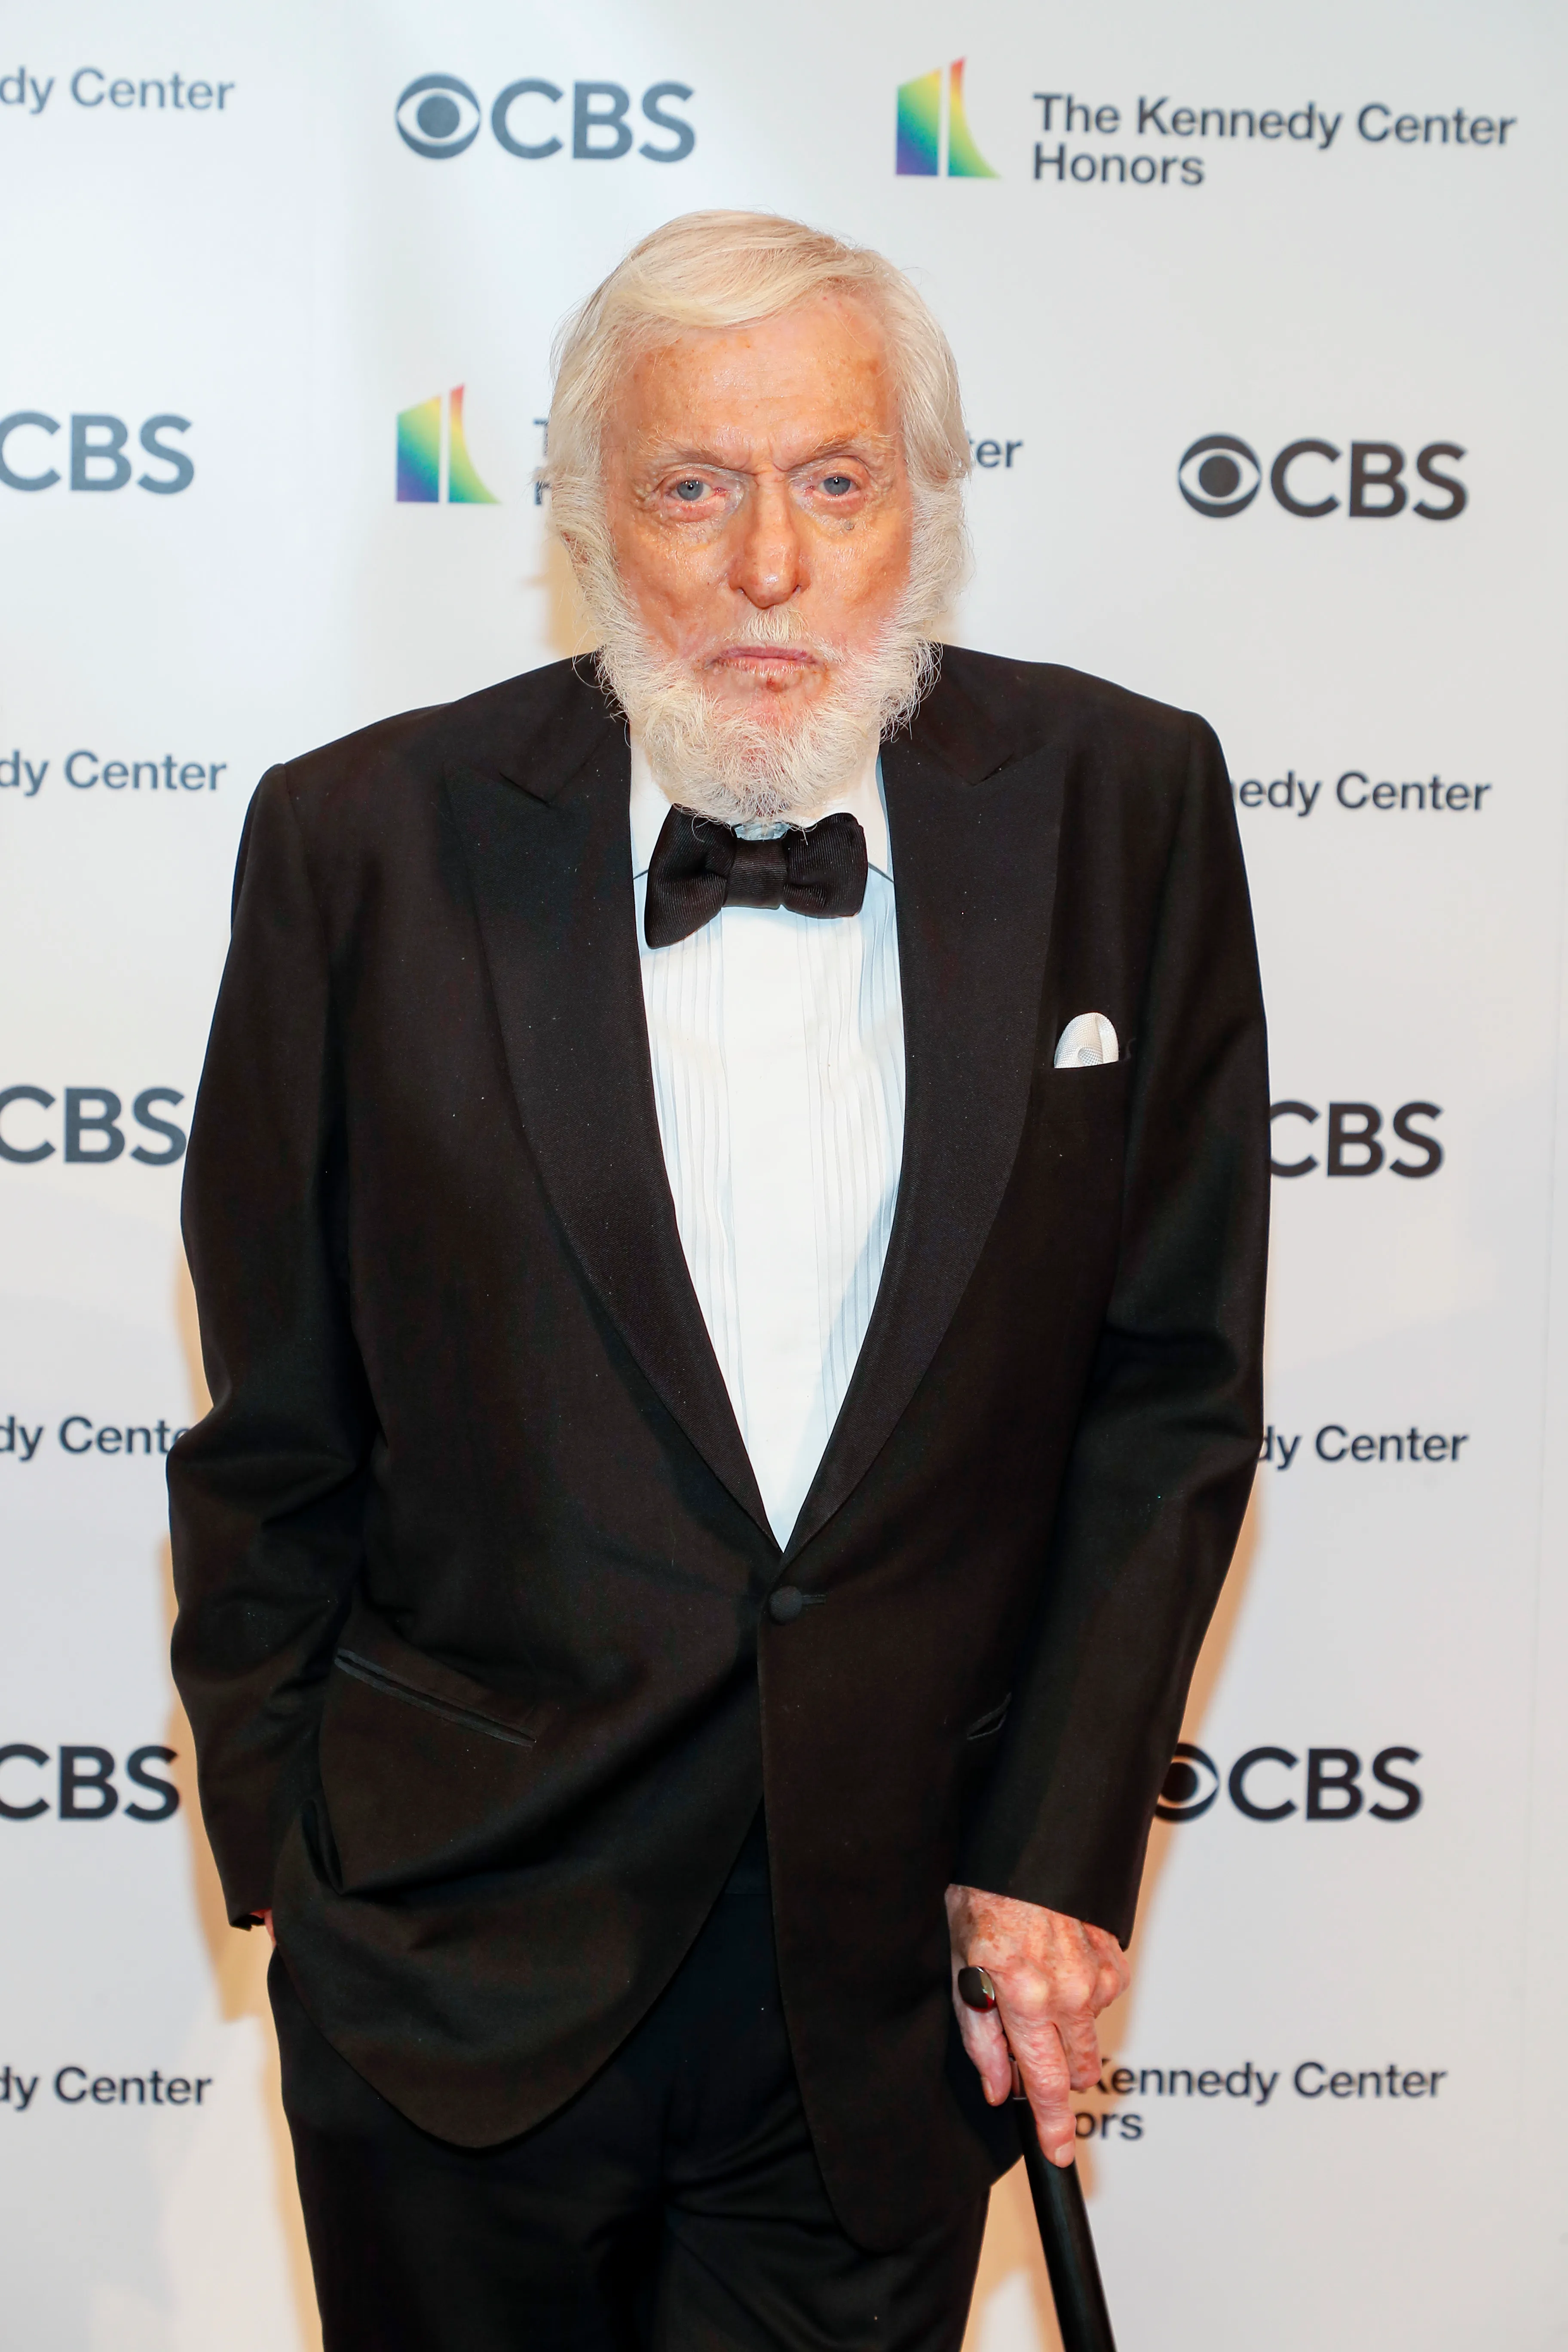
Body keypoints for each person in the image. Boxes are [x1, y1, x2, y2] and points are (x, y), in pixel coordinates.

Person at [168, 211, 1267, 2352]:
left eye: (837, 482)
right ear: (584, 521)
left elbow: (1168, 1387)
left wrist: (1052, 1849)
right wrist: (310, 1885)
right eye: (693, 487)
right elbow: (279, 1413)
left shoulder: (1123, 803)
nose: (771, 567)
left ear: (927, 505)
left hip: (885, 1974)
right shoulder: (364, 840)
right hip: (456, 1968)